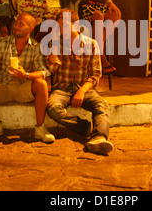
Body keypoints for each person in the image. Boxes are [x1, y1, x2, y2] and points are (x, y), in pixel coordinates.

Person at [45, 9, 113, 155]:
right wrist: (54, 49)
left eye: (64, 25)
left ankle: (99, 137)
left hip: (84, 87)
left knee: (102, 104)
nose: (60, 29)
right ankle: (83, 127)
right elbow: (51, 69)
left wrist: (82, 91)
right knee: (52, 107)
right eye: (58, 26)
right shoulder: (55, 43)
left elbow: (95, 75)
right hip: (62, 88)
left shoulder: (92, 44)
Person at [0, 11, 54, 143]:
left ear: (30, 29)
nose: (15, 26)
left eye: (21, 24)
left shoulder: (36, 47)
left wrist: (26, 75)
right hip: (3, 85)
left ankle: (40, 128)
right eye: (15, 23)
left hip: (22, 88)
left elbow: (43, 71)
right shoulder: (3, 43)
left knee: (41, 84)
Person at [71, 0, 121, 73]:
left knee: (115, 14)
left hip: (85, 3)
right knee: (98, 16)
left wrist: (109, 2)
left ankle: (96, 51)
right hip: (74, 5)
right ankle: (100, 56)